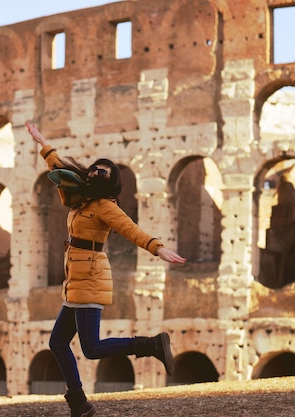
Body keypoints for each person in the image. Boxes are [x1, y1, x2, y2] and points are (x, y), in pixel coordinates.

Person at [27, 122, 186, 417]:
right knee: (58, 342)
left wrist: (157, 247)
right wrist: (42, 142)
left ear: (111, 181)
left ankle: (151, 345)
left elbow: (130, 228)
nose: (94, 173)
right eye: (94, 169)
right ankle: (78, 403)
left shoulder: (104, 205)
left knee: (92, 348)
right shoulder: (81, 198)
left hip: (90, 276)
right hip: (76, 279)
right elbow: (61, 169)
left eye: (102, 172)